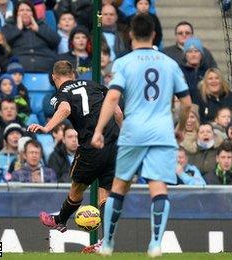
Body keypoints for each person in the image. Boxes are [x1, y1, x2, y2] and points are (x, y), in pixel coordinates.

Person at [90, 14, 192, 257]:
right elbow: (186, 102)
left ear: (130, 34)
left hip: (133, 130)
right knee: (158, 188)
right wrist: (179, 127)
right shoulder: (169, 63)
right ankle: (156, 243)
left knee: (119, 187)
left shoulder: (123, 63)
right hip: (161, 131)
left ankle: (109, 243)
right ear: (154, 35)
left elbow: (113, 97)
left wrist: (98, 129)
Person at [27, 60, 122, 252]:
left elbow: (65, 109)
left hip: (92, 143)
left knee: (77, 186)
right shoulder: (96, 85)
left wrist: (47, 127)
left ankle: (60, 220)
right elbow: (118, 111)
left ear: (54, 77)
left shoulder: (61, 93)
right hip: (113, 141)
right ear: (74, 74)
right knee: (105, 193)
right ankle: (107, 242)